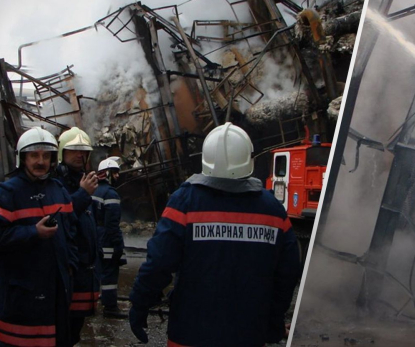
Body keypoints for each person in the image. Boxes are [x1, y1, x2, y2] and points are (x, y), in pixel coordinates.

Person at [129, 123, 301, 346]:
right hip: (248, 334)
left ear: (205, 159)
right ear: (249, 159)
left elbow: (159, 262)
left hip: (190, 333)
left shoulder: (185, 202)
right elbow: (287, 273)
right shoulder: (273, 210)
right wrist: (273, 321)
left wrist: (140, 303)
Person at [0, 127, 78, 347]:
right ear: (22, 157)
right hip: (20, 298)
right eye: (34, 155)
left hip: (56, 295)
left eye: (46, 156)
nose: (40, 161)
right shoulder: (6, 194)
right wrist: (32, 232)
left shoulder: (59, 190)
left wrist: (70, 266)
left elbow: (71, 232)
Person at [55, 127, 99, 345]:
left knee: (75, 329)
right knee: (64, 329)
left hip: (84, 269)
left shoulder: (82, 180)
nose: (80, 155)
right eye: (74, 150)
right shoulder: (56, 182)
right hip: (70, 268)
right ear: (62, 152)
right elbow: (59, 218)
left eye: (84, 151)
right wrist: (82, 195)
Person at [92, 157, 126, 319]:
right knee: (110, 272)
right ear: (106, 173)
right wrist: (118, 246)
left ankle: (92, 301)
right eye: (115, 173)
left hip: (95, 236)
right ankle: (110, 306)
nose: (117, 176)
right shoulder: (111, 194)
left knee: (97, 270)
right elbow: (112, 224)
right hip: (106, 238)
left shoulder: (94, 190)